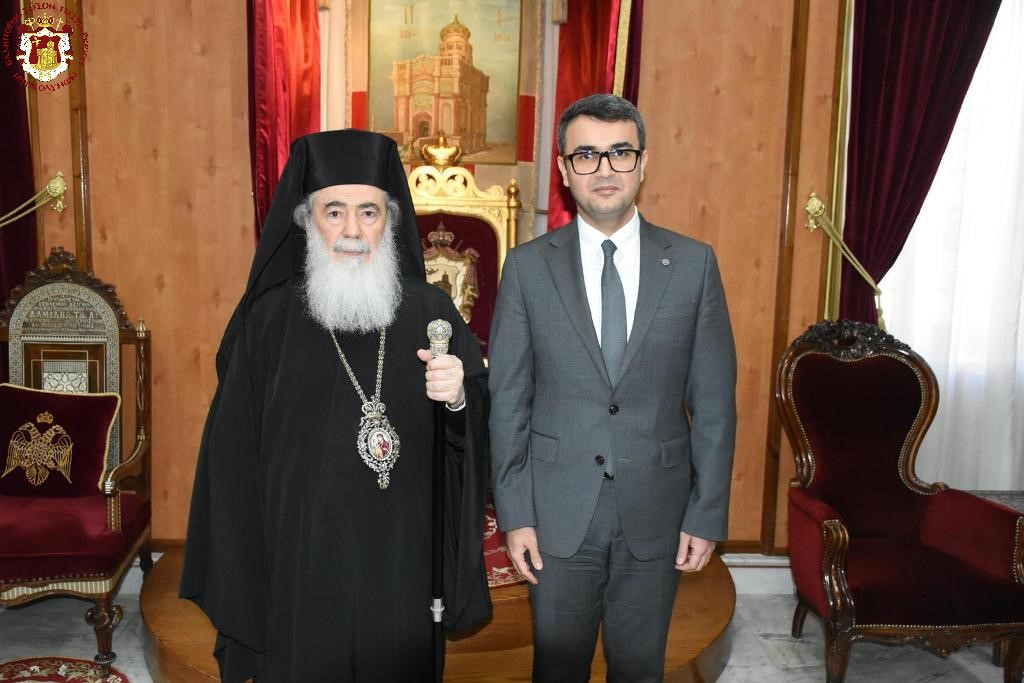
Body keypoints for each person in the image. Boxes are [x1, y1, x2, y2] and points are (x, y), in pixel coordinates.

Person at [180, 130, 492, 682]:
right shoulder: (267, 322)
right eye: (334, 212)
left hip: (402, 552)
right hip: (300, 555)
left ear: (389, 222)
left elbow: (473, 428)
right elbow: (230, 456)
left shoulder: (431, 313)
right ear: (306, 221)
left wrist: (460, 397)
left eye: (369, 212)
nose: (352, 231)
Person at [489, 93, 737, 682]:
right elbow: (508, 402)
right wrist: (515, 515)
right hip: (556, 512)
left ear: (643, 163)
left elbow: (714, 403)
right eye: (586, 155)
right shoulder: (526, 268)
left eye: (620, 153)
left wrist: (706, 514)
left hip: (657, 509)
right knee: (557, 667)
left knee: (639, 668)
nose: (604, 169)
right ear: (563, 169)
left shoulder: (694, 264)